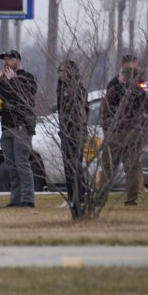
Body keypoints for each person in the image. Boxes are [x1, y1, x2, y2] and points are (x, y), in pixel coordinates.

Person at [0, 49, 38, 208]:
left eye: (10, 58)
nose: (6, 62)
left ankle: (28, 199)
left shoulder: (27, 78)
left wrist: (14, 80)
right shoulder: (3, 81)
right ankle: (15, 199)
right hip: (7, 126)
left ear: (18, 60)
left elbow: (27, 95)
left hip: (22, 126)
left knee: (22, 163)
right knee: (11, 165)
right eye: (4, 59)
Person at [100, 66, 148, 205]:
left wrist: (108, 127)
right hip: (135, 134)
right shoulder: (142, 93)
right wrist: (144, 128)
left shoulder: (115, 91)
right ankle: (131, 200)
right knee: (132, 168)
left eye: (120, 74)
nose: (119, 77)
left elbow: (104, 111)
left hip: (116, 133)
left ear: (124, 76)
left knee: (108, 166)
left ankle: (101, 198)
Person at [56, 60, 88, 216]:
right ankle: (70, 197)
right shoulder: (60, 88)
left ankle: (80, 197)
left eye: (64, 71)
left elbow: (82, 110)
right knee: (67, 166)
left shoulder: (78, 88)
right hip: (65, 131)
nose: (61, 74)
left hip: (76, 131)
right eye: (60, 71)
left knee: (76, 166)